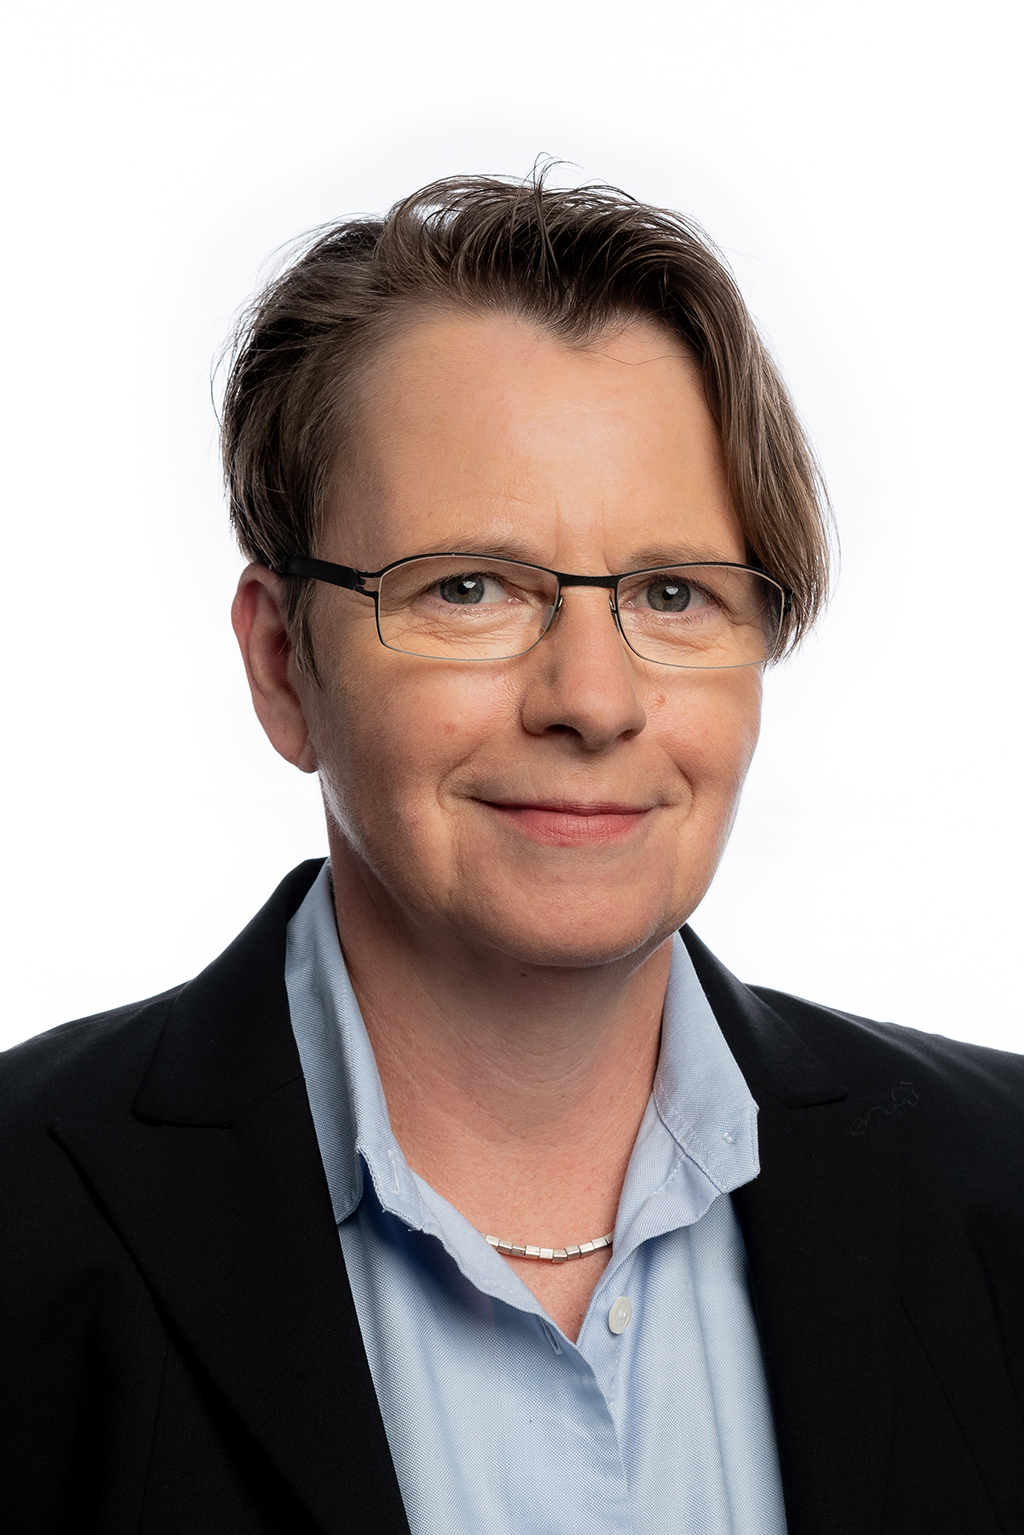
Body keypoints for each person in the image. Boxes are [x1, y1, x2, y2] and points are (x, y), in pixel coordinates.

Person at [2, 173, 1022, 1535]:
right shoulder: (22, 1227)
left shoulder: (1001, 1191)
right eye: (470, 587)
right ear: (283, 663)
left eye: (675, 593)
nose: (593, 700)